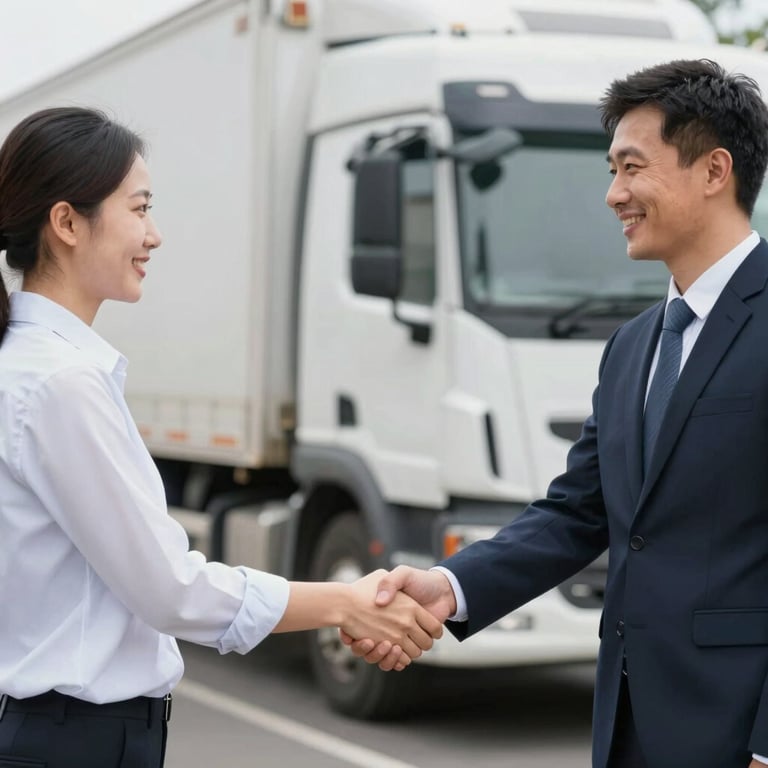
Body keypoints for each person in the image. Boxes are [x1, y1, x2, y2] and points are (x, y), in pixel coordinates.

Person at [348, 59, 768, 768]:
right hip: (627, 724)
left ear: (714, 170)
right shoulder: (633, 345)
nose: (613, 195)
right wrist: (449, 588)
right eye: (612, 170)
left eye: (632, 168)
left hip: (739, 732)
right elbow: (578, 512)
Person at [0, 106, 442, 768]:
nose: (154, 235)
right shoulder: (59, 383)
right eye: (139, 208)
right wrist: (344, 600)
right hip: (75, 741)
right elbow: (170, 590)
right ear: (66, 223)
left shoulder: (30, 368)